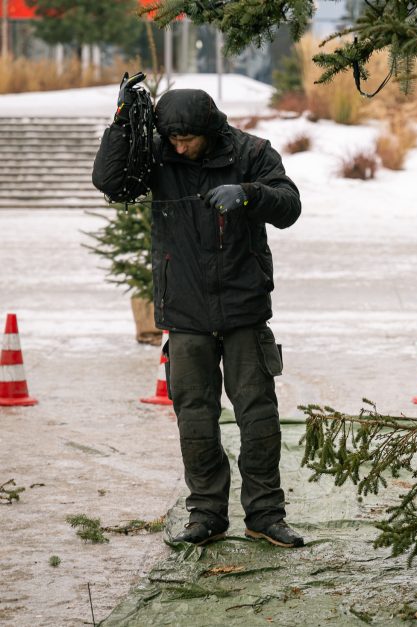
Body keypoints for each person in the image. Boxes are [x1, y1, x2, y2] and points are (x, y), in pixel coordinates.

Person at [92, 73, 304, 548]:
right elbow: (109, 182)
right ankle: (206, 513)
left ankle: (265, 514)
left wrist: (250, 194)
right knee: (195, 417)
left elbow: (289, 206)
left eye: (187, 139)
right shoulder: (158, 154)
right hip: (185, 311)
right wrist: (123, 121)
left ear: (209, 129)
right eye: (174, 139)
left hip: (244, 307)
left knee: (258, 416)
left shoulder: (252, 152)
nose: (181, 148)